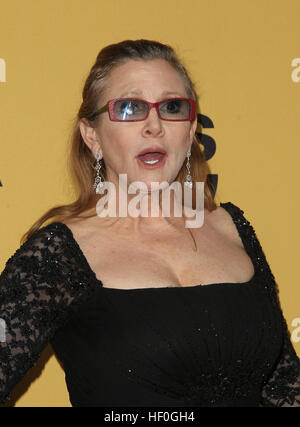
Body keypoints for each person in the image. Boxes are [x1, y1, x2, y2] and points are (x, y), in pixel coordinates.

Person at [0, 39, 300, 407]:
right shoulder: (59, 255)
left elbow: (284, 385)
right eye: (129, 108)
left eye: (172, 107)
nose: (154, 126)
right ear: (91, 135)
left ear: (190, 131)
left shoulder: (231, 227)